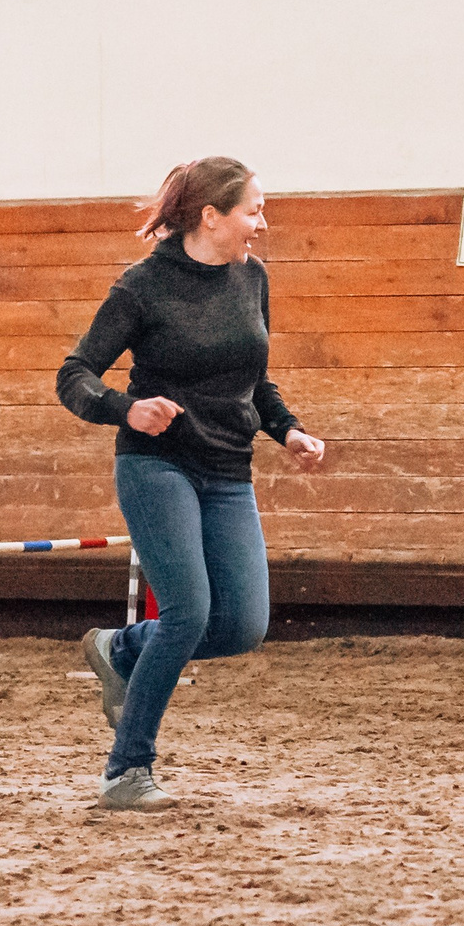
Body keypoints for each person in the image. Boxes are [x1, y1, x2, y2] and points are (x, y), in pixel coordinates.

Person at [56, 157, 325, 810]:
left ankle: (120, 650)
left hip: (229, 468)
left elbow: (253, 380)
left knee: (242, 624)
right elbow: (75, 375)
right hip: (158, 465)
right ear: (211, 215)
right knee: (188, 610)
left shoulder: (252, 279)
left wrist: (286, 429)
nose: (261, 223)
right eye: (252, 210)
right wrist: (128, 408)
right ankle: (127, 772)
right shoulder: (143, 287)